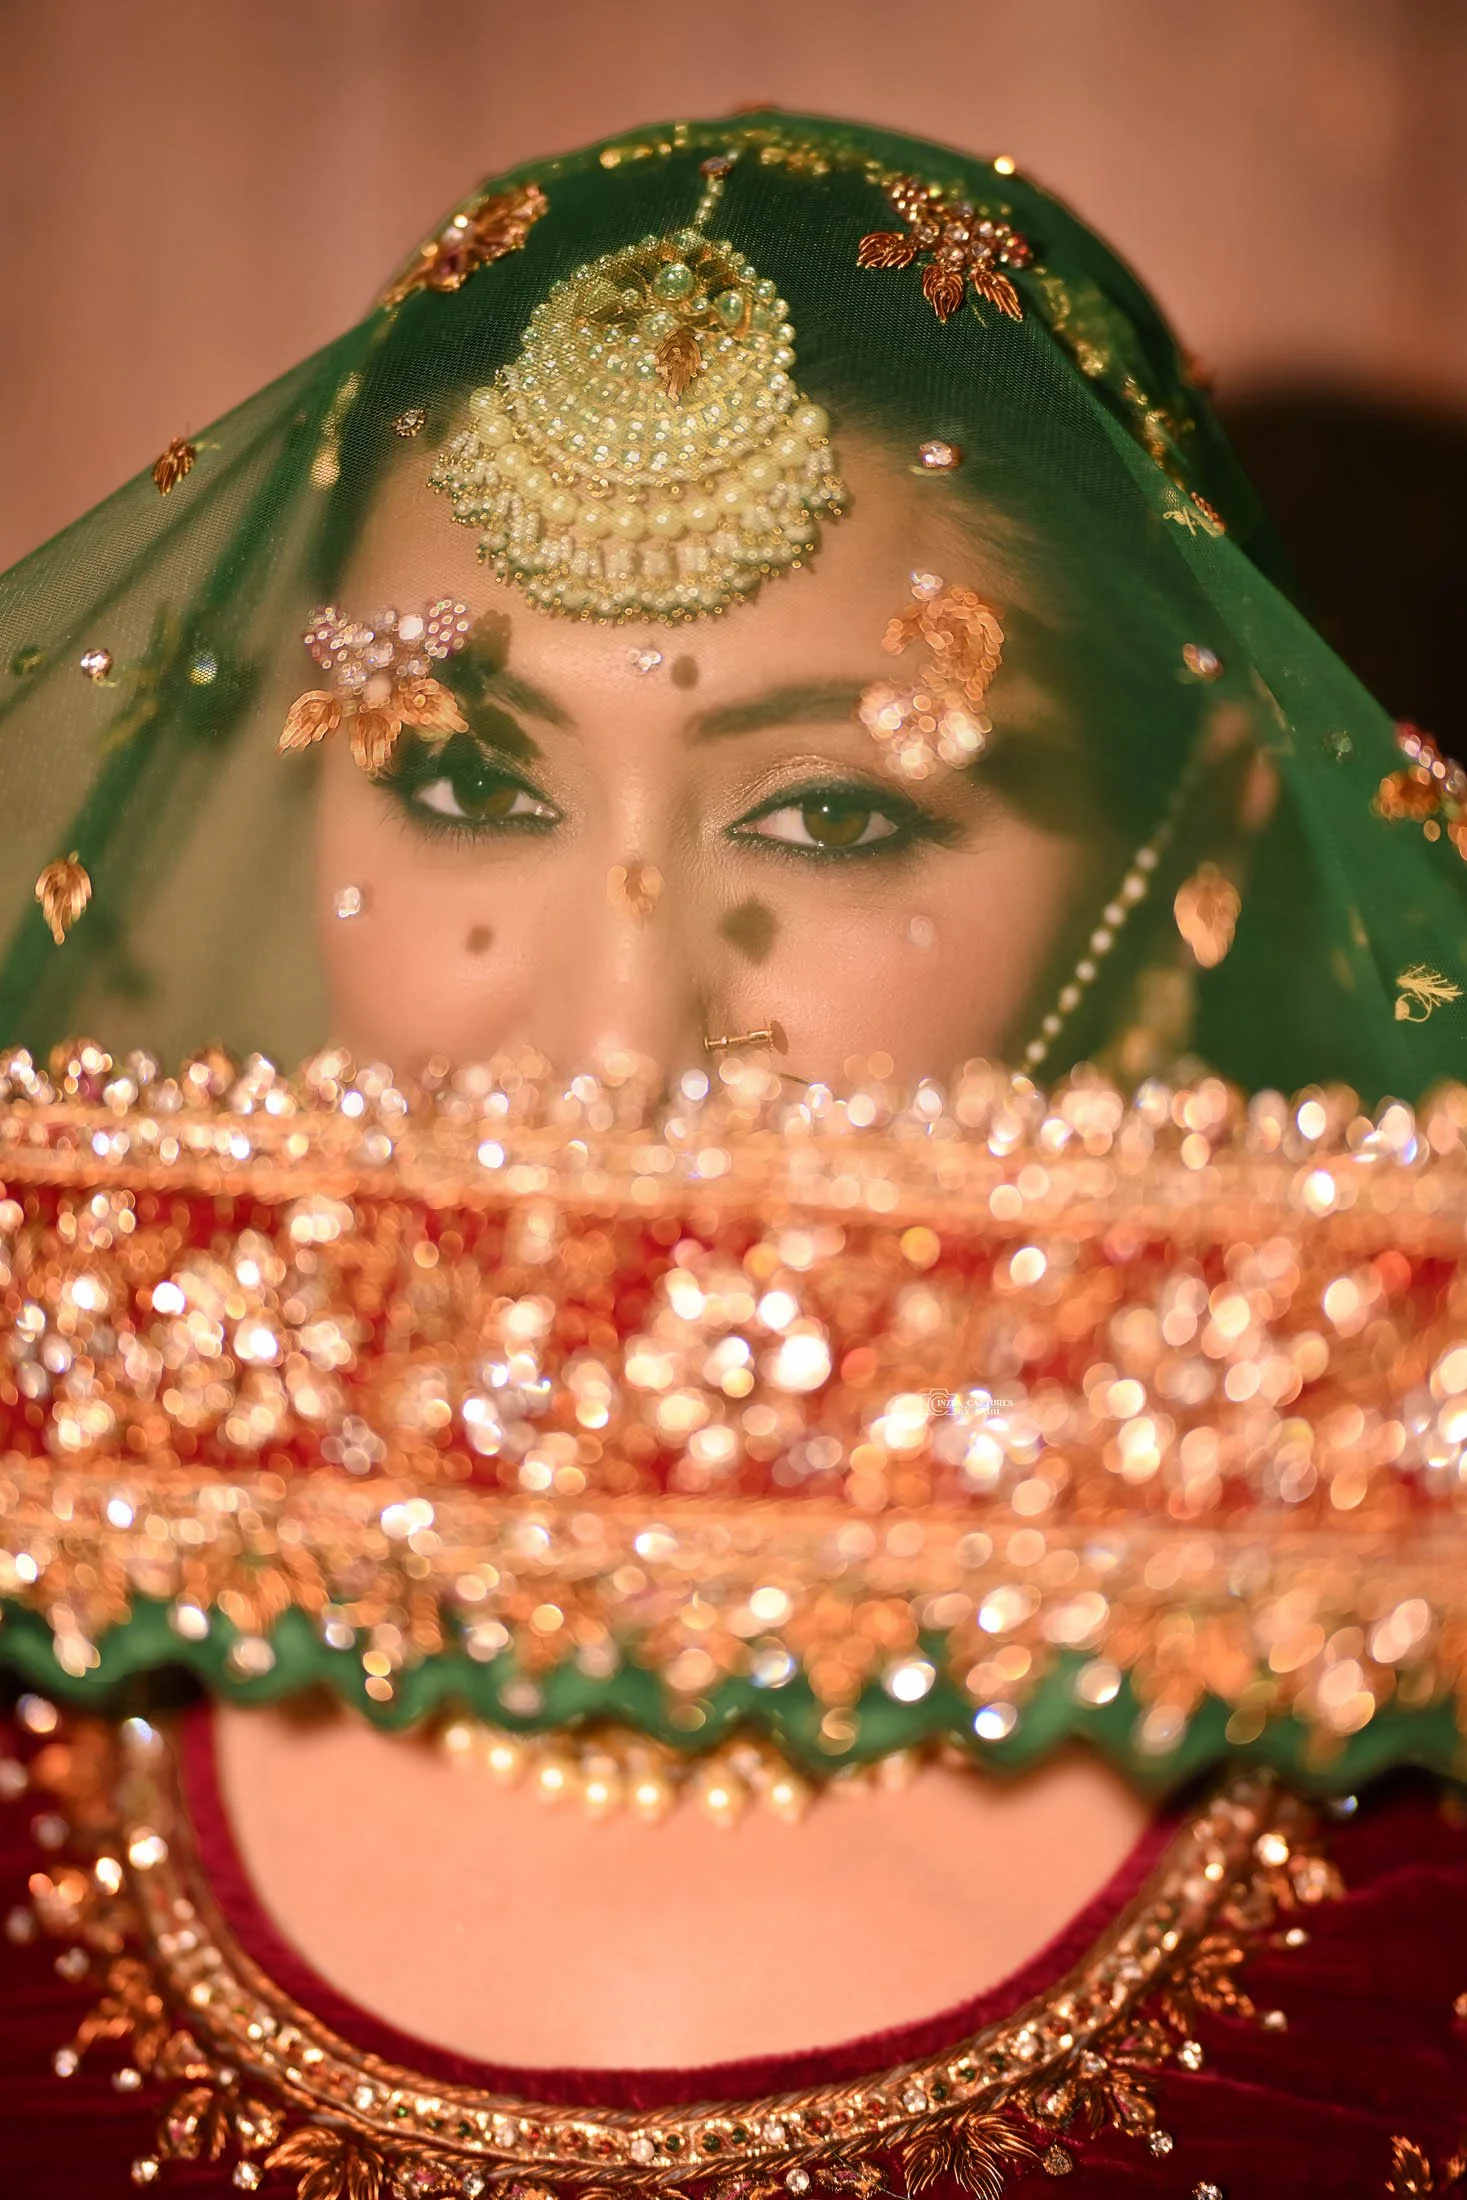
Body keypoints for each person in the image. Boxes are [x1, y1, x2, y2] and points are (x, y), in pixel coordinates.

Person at [2, 109, 1466, 2199]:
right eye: (461, 779)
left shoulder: (1397, 1827)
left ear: (1181, 863)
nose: (608, 1044)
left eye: (836, 816)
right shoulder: (46, 1682)